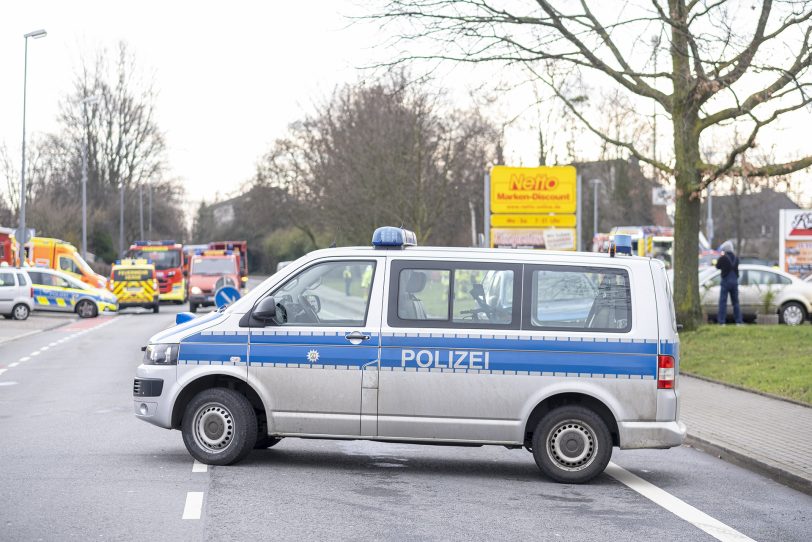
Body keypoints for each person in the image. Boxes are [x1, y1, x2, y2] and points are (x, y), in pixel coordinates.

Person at [715, 240, 742, 325]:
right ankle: (738, 321)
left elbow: (717, 266)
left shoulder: (723, 258)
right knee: (736, 303)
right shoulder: (736, 258)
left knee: (723, 302)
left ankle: (722, 321)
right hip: (734, 282)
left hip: (725, 281)